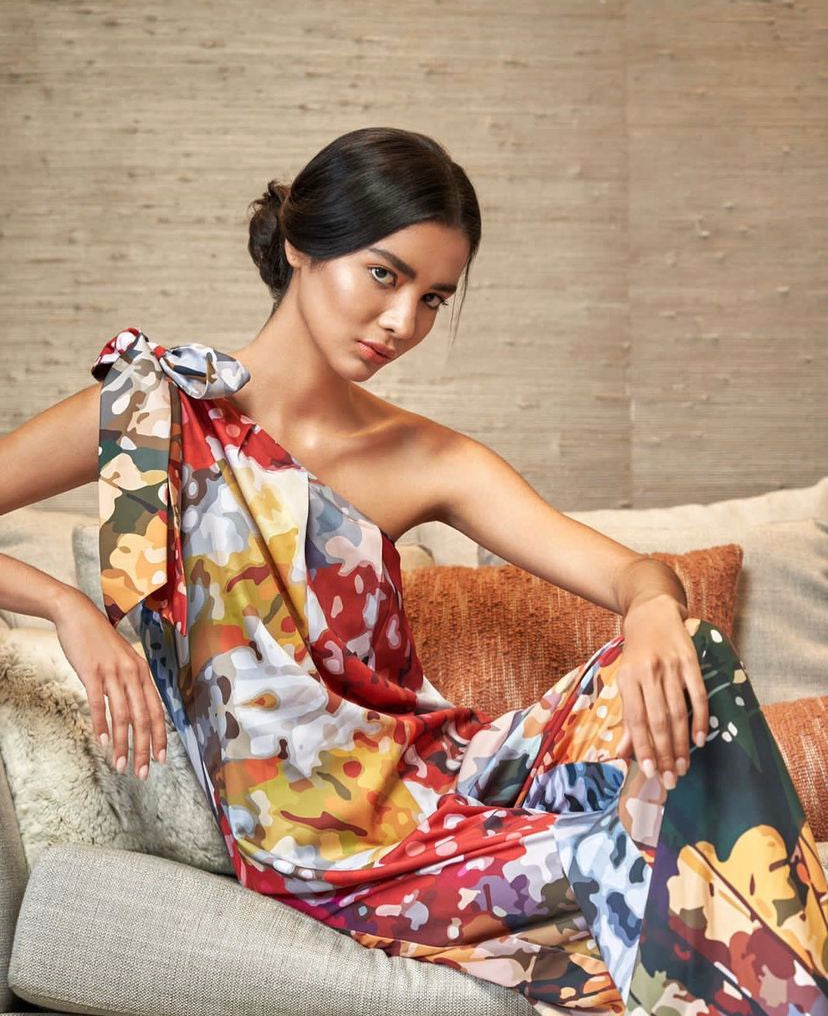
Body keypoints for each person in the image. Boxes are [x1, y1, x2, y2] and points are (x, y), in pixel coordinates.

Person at [0, 125, 825, 1015]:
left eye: (433, 298)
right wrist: (66, 608)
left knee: (697, 660)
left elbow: (633, 576)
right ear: (300, 245)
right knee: (647, 866)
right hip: (320, 837)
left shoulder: (427, 457)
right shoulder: (154, 409)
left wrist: (655, 608)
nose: (403, 323)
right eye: (384, 275)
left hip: (449, 777)